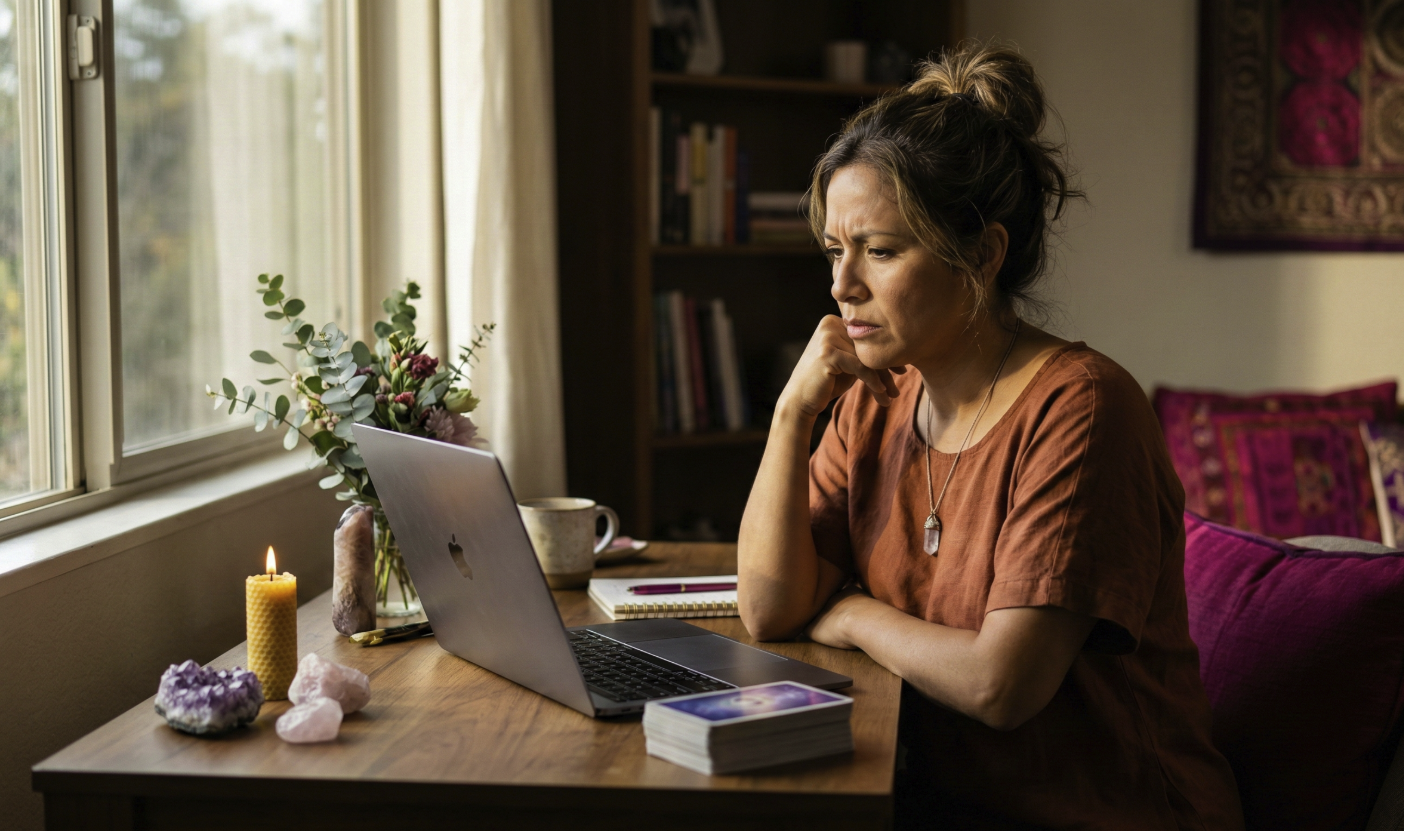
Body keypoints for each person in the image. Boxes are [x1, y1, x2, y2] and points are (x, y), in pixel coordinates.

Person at [736, 44, 1245, 830]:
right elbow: (769, 610)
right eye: (835, 251)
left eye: (880, 250)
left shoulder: (1082, 409)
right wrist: (790, 414)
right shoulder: (876, 397)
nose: (841, 285)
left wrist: (849, 613)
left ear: (980, 253)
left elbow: (999, 685)